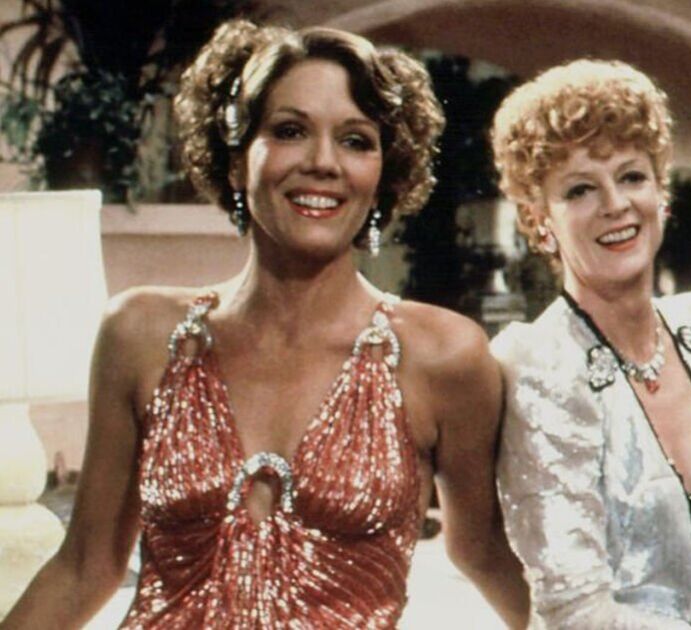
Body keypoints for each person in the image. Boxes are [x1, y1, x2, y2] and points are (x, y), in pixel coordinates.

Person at [2, 21, 527, 628]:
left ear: (385, 172)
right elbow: (84, 568)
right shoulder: (139, 333)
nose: (323, 162)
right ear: (235, 161)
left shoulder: (444, 356)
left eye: (356, 140)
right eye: (289, 131)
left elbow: (483, 554)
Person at [488, 59, 691, 629]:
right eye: (580, 189)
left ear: (661, 194)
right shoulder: (543, 365)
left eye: (632, 177)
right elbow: (575, 611)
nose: (615, 203)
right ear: (540, 221)